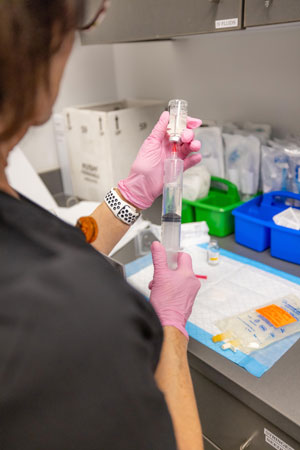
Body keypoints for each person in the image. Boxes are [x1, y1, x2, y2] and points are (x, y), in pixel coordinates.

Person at [0, 1, 204, 449]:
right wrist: (170, 330)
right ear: (35, 45)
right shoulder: (73, 320)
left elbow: (42, 247)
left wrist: (129, 195)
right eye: (78, 24)